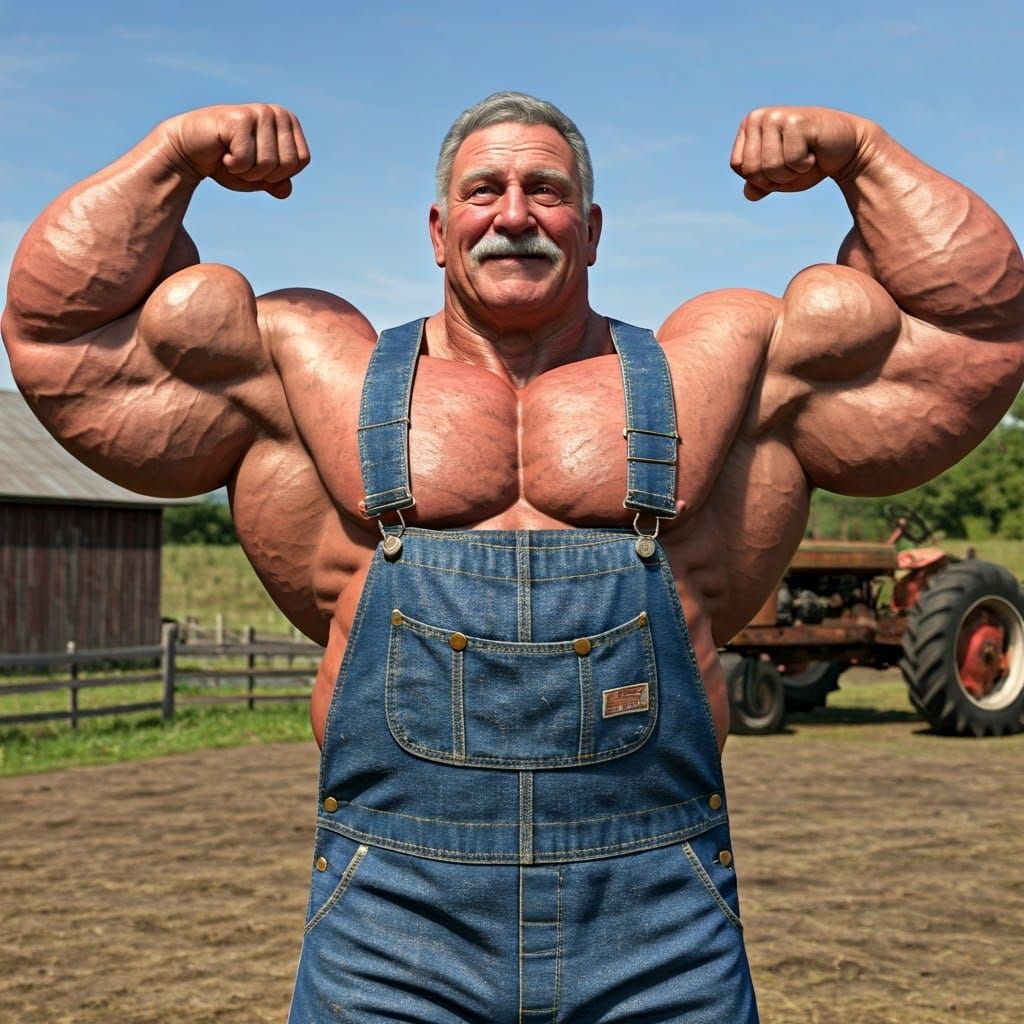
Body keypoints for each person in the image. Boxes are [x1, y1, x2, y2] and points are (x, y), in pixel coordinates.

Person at [3, 92, 1022, 1022]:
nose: (516, 213)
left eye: (548, 190)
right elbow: (58, 336)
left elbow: (978, 334)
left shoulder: (724, 372)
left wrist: (867, 155)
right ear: (438, 230)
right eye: (484, 190)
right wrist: (170, 155)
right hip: (390, 929)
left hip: (659, 927)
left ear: (593, 228)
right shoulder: (309, 370)